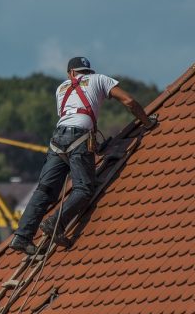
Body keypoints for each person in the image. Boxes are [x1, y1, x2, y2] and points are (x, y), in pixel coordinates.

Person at [9, 56, 156, 255]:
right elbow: (129, 101)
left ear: (71, 73)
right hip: (79, 137)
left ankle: (22, 236)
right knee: (84, 188)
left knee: (45, 190)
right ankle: (55, 223)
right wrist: (147, 122)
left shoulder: (61, 88)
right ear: (88, 71)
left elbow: (70, 114)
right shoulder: (100, 79)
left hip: (57, 140)